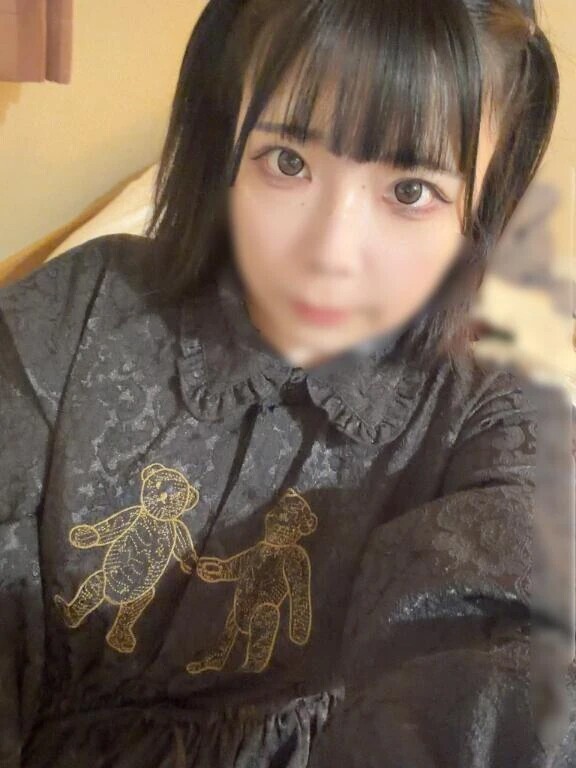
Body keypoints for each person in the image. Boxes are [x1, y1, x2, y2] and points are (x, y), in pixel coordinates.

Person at [0, 0, 570, 765]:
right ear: (221, 147)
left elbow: (511, 660)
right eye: (288, 161)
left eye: (410, 191)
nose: (330, 252)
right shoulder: (71, 317)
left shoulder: (491, 419)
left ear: (480, 210)